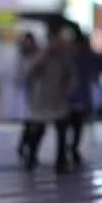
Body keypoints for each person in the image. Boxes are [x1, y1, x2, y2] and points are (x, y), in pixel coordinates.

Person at [25, 27, 76, 174]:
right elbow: (31, 74)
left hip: (59, 101)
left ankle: (61, 162)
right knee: (38, 131)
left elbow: (72, 76)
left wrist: (68, 90)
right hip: (43, 100)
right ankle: (31, 157)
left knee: (61, 133)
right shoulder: (41, 56)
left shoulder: (64, 58)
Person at [68, 32, 98, 167]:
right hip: (74, 96)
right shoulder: (82, 56)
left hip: (76, 96)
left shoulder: (82, 56)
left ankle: (72, 149)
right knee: (74, 126)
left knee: (75, 126)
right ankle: (72, 149)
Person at [14, 32, 39, 161]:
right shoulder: (22, 55)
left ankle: (25, 146)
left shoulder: (37, 55)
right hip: (26, 91)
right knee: (29, 121)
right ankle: (25, 146)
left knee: (32, 121)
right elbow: (19, 72)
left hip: (37, 91)